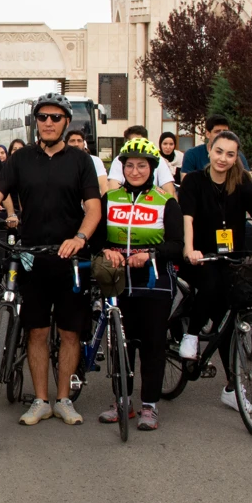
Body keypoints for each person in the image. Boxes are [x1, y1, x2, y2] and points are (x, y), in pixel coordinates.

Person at [0, 93, 101, 426]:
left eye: (55, 117)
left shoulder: (81, 161)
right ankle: (40, 399)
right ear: (35, 121)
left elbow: (93, 208)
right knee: (36, 332)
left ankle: (63, 398)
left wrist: (79, 238)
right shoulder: (19, 161)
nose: (48, 123)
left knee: (69, 333)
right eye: (42, 117)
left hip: (69, 257)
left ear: (67, 122)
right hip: (32, 257)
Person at [178, 130, 252, 415]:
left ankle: (232, 389)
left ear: (236, 156)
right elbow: (187, 219)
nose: (223, 159)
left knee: (228, 322)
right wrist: (190, 249)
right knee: (212, 283)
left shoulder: (243, 182)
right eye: (218, 152)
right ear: (209, 150)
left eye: (230, 154)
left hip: (233, 258)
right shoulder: (194, 182)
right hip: (200, 257)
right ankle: (190, 334)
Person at [91, 138, 183, 431]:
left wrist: (150, 254)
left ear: (152, 168)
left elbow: (177, 244)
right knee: (122, 345)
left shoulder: (165, 201)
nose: (134, 171)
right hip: (118, 282)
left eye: (141, 165)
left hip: (154, 280)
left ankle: (150, 406)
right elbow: (96, 238)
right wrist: (105, 250)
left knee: (153, 344)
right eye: (129, 165)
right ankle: (122, 402)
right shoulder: (111, 199)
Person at [106, 125, 176, 193]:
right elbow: (113, 189)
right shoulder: (119, 160)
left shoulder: (158, 159)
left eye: (142, 166)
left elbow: (170, 191)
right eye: (129, 165)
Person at [181, 115, 250, 174]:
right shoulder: (192, 154)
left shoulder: (237, 156)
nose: (222, 135)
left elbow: (247, 181)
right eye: (217, 132)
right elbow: (186, 183)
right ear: (208, 134)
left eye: (225, 132)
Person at [67, 128, 108, 193]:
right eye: (72, 141)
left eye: (79, 141)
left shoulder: (95, 160)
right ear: (66, 144)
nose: (76, 144)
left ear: (84, 144)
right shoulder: (60, 161)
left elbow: (103, 185)